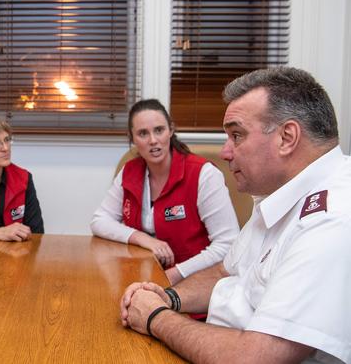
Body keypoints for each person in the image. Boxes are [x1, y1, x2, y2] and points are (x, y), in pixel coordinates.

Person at [120, 67, 350, 364]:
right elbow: (224, 273)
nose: (225, 152)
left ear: (287, 137)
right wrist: (169, 298)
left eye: (236, 135)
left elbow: (252, 357)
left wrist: (155, 316)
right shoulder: (279, 192)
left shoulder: (331, 221)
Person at [91, 99, 239, 284]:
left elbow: (228, 244)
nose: (153, 140)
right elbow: (99, 220)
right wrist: (143, 239)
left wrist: (176, 273)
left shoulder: (204, 174)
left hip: (196, 282)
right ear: (132, 138)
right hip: (143, 277)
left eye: (159, 130)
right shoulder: (129, 171)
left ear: (171, 130)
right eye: (143, 133)